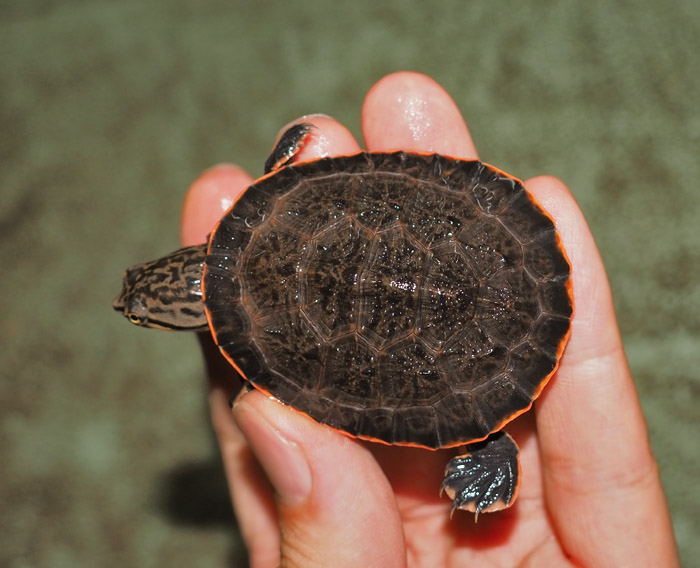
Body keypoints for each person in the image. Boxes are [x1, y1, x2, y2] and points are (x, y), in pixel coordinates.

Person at [179, 72, 679, 567]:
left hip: (488, 284)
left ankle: (487, 440)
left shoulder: (259, 345)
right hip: (500, 252)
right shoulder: (271, 204)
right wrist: (285, 170)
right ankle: (487, 441)